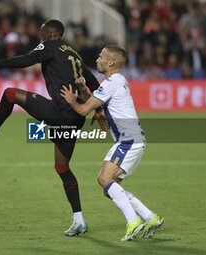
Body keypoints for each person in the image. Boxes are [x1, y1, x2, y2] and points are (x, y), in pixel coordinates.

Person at [0, 19, 103, 236]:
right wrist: (99, 110)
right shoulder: (74, 54)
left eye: (41, 33)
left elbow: (26, 59)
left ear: (48, 34)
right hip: (76, 117)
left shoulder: (49, 45)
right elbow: (94, 83)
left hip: (60, 112)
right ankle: (79, 220)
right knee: (62, 168)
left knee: (10, 94)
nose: (40, 37)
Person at [60, 45, 164, 241]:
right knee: (111, 189)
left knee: (103, 179)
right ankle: (150, 217)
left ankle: (133, 222)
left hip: (128, 141)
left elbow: (83, 110)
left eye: (101, 57)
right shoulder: (117, 81)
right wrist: (83, 89)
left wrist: (72, 100)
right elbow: (94, 102)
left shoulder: (111, 83)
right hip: (133, 140)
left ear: (111, 62)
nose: (97, 59)